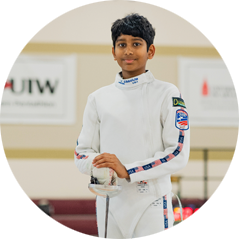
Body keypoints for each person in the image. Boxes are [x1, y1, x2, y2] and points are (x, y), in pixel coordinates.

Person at [74, 13, 190, 239]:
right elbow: (82, 154)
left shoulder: (168, 94)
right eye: (121, 44)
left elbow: (178, 153)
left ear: (150, 51)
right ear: (113, 52)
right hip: (109, 202)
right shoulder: (98, 98)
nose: (128, 51)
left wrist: (127, 170)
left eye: (136, 44)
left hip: (153, 202)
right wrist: (101, 165)